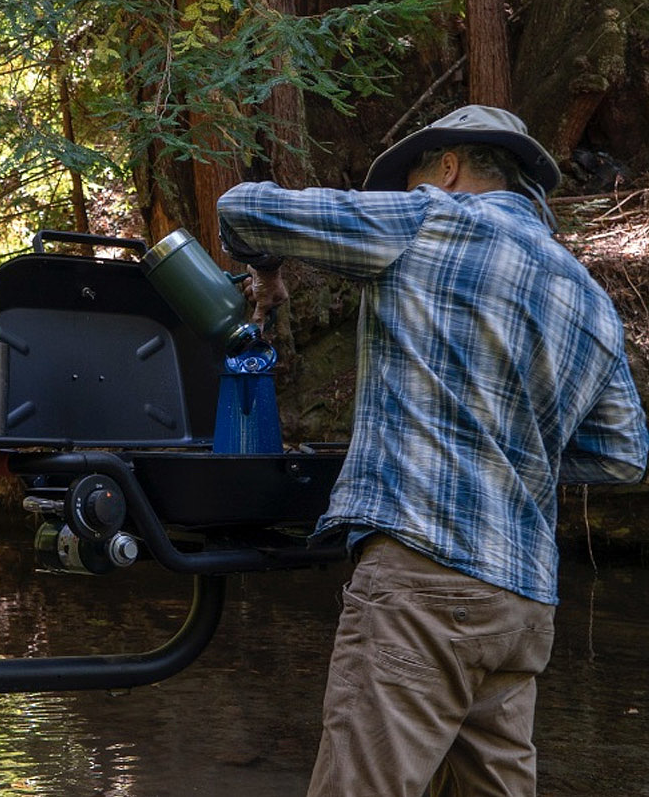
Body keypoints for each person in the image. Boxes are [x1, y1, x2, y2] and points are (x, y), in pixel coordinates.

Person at [215, 105, 649, 797]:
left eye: (415, 174)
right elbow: (625, 453)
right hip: (521, 607)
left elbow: (242, 209)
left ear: (446, 167)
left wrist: (265, 269)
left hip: (423, 581)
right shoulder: (587, 296)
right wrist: (509, 446)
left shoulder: (429, 220)